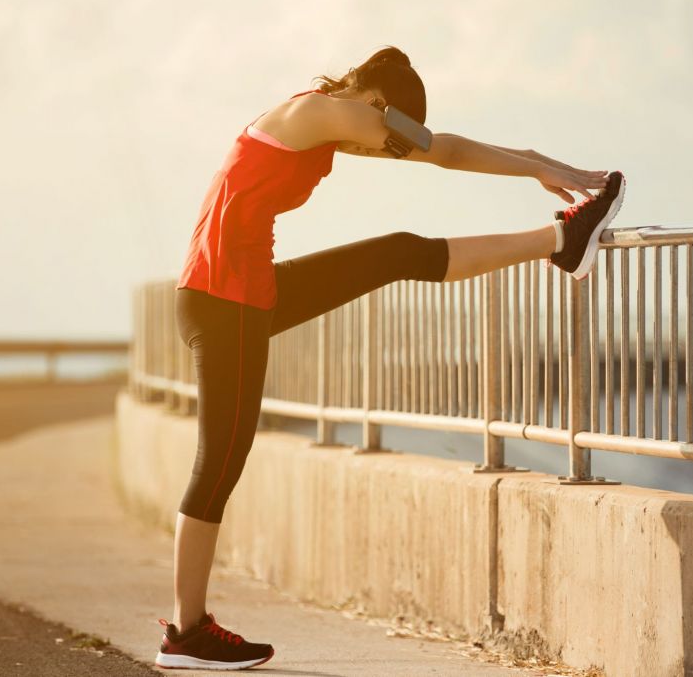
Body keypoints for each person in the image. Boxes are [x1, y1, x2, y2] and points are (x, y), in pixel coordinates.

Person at [154, 45, 625, 670]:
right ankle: (188, 633)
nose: (390, 146)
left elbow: (441, 146)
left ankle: (562, 240)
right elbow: (442, 149)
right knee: (219, 466)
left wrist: (537, 162)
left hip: (236, 291)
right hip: (228, 299)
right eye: (391, 129)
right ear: (377, 103)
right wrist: (532, 164)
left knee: (397, 253)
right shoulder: (321, 112)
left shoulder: (317, 124)